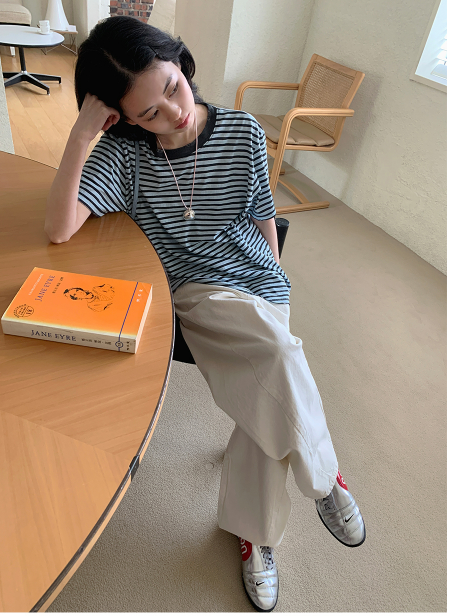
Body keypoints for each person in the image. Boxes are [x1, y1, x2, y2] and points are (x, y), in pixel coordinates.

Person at [45, 15, 365, 612]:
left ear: (179, 61)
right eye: (149, 113)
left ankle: (255, 536)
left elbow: (263, 216)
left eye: (173, 88)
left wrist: (274, 287)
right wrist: (82, 133)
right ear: (123, 119)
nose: (174, 113)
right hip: (196, 291)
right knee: (276, 359)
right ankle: (324, 476)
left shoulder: (241, 131)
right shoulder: (124, 157)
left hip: (258, 281)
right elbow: (59, 228)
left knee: (267, 376)